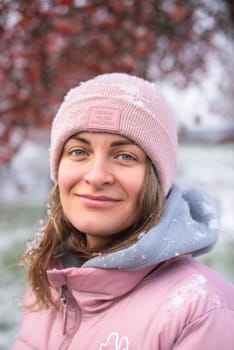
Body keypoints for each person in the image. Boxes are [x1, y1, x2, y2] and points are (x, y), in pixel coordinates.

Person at [13, 73, 234, 350]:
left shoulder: (202, 311)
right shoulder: (49, 286)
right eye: (79, 152)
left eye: (125, 156)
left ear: (156, 178)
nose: (96, 176)